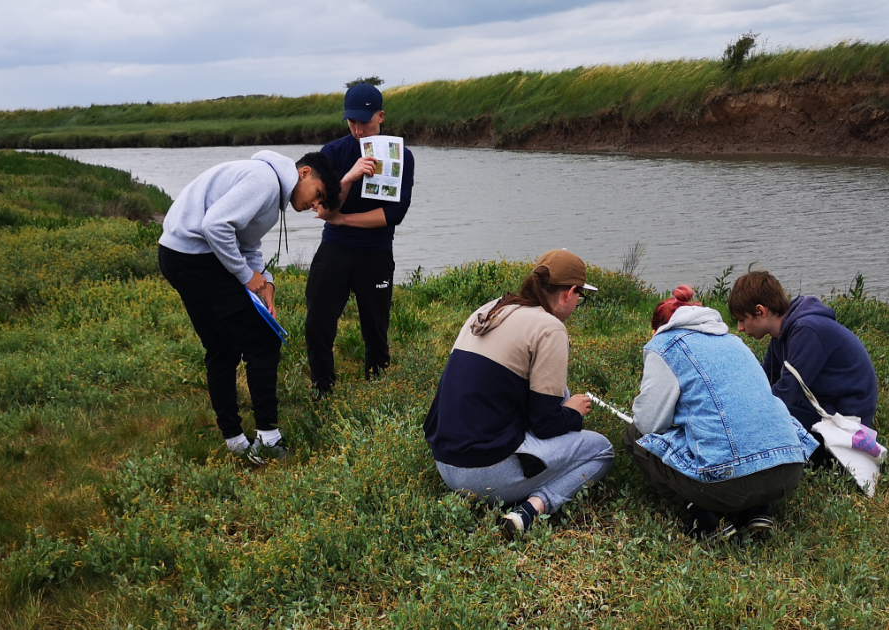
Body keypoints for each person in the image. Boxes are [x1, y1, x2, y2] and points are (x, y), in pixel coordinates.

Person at [158, 150, 341, 463]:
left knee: (221, 347)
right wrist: (245, 276)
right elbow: (215, 226)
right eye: (318, 195)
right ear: (305, 173)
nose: (315, 205)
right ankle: (269, 439)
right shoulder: (265, 180)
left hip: (178, 255)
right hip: (194, 257)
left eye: (321, 203)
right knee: (263, 341)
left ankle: (235, 441)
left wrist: (265, 281)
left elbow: (247, 244)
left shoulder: (270, 187)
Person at [424, 249, 614, 539]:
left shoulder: (491, 308)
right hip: (483, 475)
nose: (577, 302)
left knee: (559, 392)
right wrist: (574, 413)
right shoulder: (550, 328)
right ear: (569, 293)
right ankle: (531, 510)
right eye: (580, 296)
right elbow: (545, 424)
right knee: (602, 449)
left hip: (444, 463)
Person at [623, 286, 819, 539]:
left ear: (658, 328)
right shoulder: (733, 341)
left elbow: (649, 422)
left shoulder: (664, 344)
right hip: (790, 471)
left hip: (728, 485)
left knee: (635, 436)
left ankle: (701, 514)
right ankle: (760, 509)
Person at [305, 82, 416, 397]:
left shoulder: (401, 157)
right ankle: (322, 387)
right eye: (351, 123)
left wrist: (344, 220)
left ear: (381, 116)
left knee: (375, 328)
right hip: (335, 251)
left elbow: (392, 215)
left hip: (375, 253)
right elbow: (326, 210)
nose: (358, 130)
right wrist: (349, 177)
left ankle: (377, 387)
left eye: (364, 123)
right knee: (317, 323)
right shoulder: (331, 153)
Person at [727, 270, 879, 464]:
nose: (740, 328)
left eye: (742, 319)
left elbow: (786, 392)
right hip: (822, 405)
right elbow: (765, 381)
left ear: (761, 311)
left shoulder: (807, 330)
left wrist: (745, 419)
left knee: (769, 428)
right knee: (766, 421)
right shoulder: (780, 337)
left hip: (847, 422)